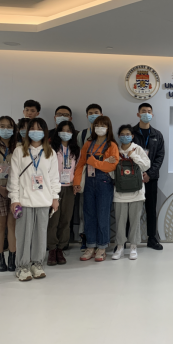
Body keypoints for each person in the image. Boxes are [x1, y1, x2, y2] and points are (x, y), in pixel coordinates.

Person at [8, 118, 61, 282]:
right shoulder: (19, 151)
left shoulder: (50, 152)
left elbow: (54, 178)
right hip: (24, 201)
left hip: (44, 201)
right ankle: (22, 266)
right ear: (27, 131)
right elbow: (13, 178)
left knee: (40, 234)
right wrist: (14, 199)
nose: (36, 132)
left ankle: (37, 264)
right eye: (32, 128)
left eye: (39, 129)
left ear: (45, 132)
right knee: (23, 235)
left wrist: (55, 197)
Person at [74, 116, 119, 262]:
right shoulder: (88, 144)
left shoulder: (112, 145)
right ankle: (90, 245)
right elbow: (81, 163)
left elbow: (112, 166)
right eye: (97, 125)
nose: (99, 127)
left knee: (103, 214)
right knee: (89, 214)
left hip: (104, 183)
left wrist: (93, 162)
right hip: (88, 182)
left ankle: (102, 247)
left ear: (108, 128)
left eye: (103, 125)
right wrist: (76, 182)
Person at [113, 125, 151, 261]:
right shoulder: (114, 150)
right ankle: (120, 247)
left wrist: (133, 155)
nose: (125, 137)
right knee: (120, 222)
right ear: (119, 136)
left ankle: (133, 247)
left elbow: (146, 166)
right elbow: (110, 170)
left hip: (137, 192)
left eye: (128, 134)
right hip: (119, 193)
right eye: (122, 134)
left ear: (132, 136)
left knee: (135, 221)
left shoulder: (138, 149)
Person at [132, 103, 165, 251]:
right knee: (131, 210)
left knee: (151, 209)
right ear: (138, 114)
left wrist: (149, 174)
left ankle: (152, 238)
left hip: (151, 179)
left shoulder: (157, 135)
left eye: (149, 111)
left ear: (152, 114)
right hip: (133, 179)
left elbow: (160, 157)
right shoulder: (131, 133)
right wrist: (139, 174)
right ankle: (126, 240)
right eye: (143, 111)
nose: (146, 113)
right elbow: (127, 154)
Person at [47, 121, 80, 266]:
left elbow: (78, 168)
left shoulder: (75, 150)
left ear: (72, 133)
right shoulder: (51, 148)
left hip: (69, 187)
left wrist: (76, 183)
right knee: (53, 220)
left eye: (68, 131)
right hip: (54, 188)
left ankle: (61, 248)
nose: (65, 133)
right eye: (63, 130)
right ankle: (52, 249)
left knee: (66, 219)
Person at [0, 116, 18, 273]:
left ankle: (13, 257)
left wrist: (14, 189)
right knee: (0, 225)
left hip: (15, 193)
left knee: (13, 225)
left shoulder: (19, 147)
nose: (6, 129)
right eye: (2, 126)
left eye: (9, 126)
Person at [77, 104, 103, 250]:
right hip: (86, 176)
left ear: (101, 114)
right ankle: (85, 237)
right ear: (87, 116)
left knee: (101, 209)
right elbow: (79, 158)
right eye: (91, 113)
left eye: (96, 112)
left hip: (102, 176)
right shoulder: (81, 135)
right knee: (85, 209)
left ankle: (100, 238)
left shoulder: (107, 134)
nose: (93, 115)